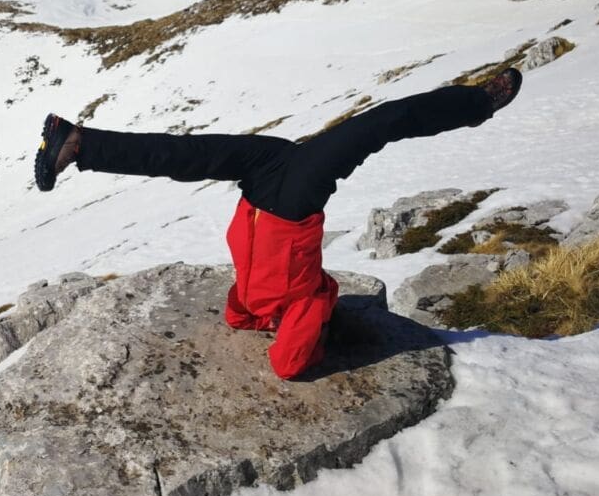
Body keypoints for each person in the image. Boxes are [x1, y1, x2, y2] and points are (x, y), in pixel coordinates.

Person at [33, 69, 522, 379]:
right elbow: (272, 343)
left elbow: (281, 357)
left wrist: (313, 327)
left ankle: (79, 142)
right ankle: (80, 144)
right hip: (279, 197)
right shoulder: (276, 301)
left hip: (278, 194)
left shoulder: (277, 304)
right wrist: (313, 319)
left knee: (381, 123)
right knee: (187, 154)